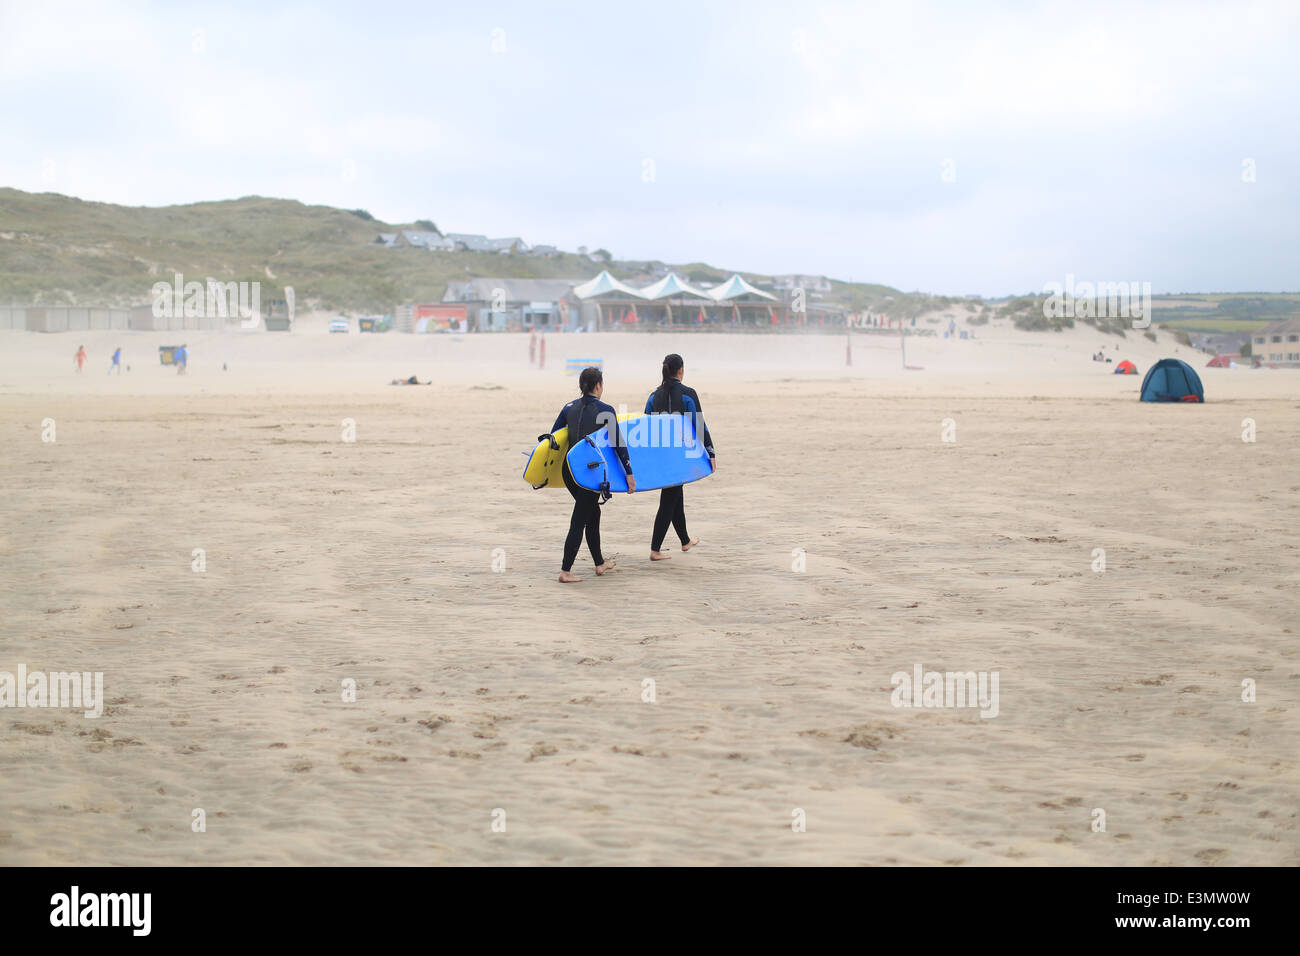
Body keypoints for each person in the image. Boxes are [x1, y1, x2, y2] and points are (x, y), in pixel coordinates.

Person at [551, 367, 634, 583]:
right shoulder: (606, 410)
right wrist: (629, 473)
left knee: (592, 514)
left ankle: (599, 563)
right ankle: (565, 571)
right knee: (579, 520)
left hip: (569, 472)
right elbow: (618, 444)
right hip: (588, 473)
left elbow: (554, 438)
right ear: (598, 385)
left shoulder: (568, 408)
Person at [643, 353, 715, 561]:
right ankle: (655, 549)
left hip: (660, 454)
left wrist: (648, 457)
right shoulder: (687, 394)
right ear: (681, 370)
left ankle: (685, 540)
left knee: (675, 495)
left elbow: (646, 427)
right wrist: (710, 452)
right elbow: (699, 425)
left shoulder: (653, 396)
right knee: (669, 499)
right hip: (680, 456)